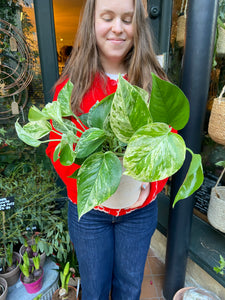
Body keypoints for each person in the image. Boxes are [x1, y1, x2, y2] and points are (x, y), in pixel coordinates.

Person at [46, 0, 170, 299]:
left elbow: (168, 143)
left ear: (138, 26)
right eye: (108, 17)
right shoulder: (72, 87)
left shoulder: (154, 85)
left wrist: (151, 188)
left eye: (127, 19)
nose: (118, 27)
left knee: (129, 288)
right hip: (90, 214)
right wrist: (89, 187)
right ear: (92, 23)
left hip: (138, 212)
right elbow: (56, 147)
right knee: (94, 289)